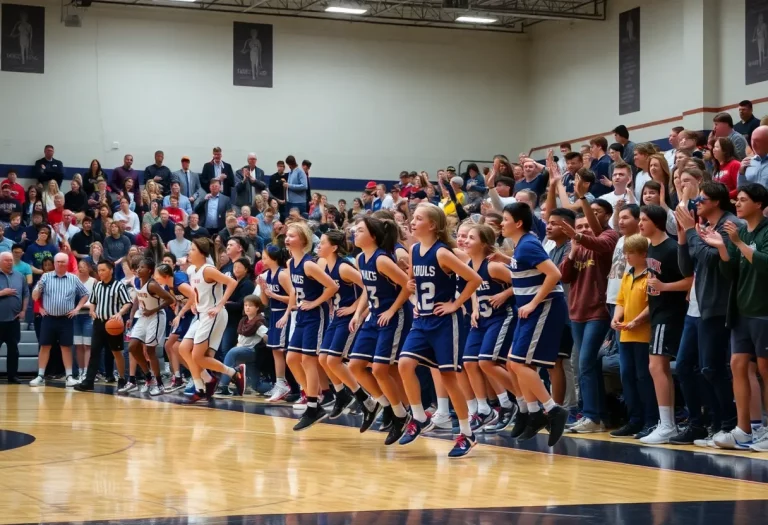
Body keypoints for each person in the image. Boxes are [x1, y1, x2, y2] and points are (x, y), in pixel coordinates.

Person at [394, 204, 481, 457]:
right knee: (404, 364)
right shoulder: (413, 250)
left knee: (448, 378)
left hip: (445, 322)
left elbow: (474, 279)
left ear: (432, 225)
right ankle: (419, 417)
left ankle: (466, 433)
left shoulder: (443, 252)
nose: (412, 221)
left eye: (419, 218)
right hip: (422, 321)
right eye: (413, 217)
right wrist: (411, 284)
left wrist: (456, 302)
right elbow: (413, 281)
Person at [700, 183, 768, 451]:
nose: (737, 204)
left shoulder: (763, 231)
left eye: (743, 200)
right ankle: (744, 429)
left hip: (763, 311)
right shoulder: (739, 232)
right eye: (736, 199)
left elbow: (765, 265)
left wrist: (738, 243)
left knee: (764, 369)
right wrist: (723, 249)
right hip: (741, 311)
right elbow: (732, 275)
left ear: (759, 205)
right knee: (737, 365)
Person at [673, 181, 739, 445]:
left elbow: (713, 260)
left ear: (716, 201)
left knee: (712, 368)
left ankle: (726, 424)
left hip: (716, 306)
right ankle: (699, 424)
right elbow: (685, 268)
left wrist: (690, 231)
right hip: (696, 307)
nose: (697, 203)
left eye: (701, 199)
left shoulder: (730, 225)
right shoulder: (703, 227)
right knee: (685, 367)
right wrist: (683, 236)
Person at [500, 202, 570, 446]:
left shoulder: (529, 243)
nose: (501, 223)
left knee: (519, 364)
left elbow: (554, 274)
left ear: (518, 223)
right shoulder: (522, 245)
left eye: (505, 219)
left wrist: (533, 304)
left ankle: (552, 409)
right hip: (529, 309)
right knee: (512, 363)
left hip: (543, 307)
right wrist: (507, 260)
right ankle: (533, 412)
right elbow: (527, 272)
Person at [347, 215, 413, 439]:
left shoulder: (382, 259)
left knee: (379, 370)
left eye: (360, 230)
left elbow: (408, 286)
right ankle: (386, 406)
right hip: (373, 317)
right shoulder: (360, 259)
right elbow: (367, 288)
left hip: (393, 317)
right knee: (355, 366)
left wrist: (392, 310)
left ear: (373, 236)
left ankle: (400, 415)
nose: (355, 233)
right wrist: (358, 313)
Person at [637, 205, 692, 444]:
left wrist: (664, 287)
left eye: (643, 220)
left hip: (671, 313)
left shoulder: (670, 248)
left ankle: (668, 424)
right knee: (657, 368)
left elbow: (690, 281)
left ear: (657, 222)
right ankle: (666, 422)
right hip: (658, 312)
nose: (640, 224)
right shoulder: (651, 247)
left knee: (657, 367)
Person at [462, 223, 518, 433]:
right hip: (481, 319)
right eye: (465, 237)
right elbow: (475, 290)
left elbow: (522, 282)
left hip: (501, 317)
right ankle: (484, 410)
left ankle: (513, 403)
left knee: (486, 362)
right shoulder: (469, 265)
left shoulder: (493, 266)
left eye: (471, 238)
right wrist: (475, 309)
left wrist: (505, 293)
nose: (466, 241)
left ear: (484, 244)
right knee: (468, 363)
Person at [284, 222, 339, 430]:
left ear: (304, 240)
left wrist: (315, 303)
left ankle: (314, 404)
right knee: (291, 358)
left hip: (316, 315)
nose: (287, 238)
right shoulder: (290, 263)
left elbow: (333, 286)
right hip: (302, 315)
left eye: (292, 235)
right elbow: (295, 290)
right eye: (286, 235)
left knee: (308, 360)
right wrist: (293, 308)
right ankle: (314, 397)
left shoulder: (309, 264)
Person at [179, 238, 244, 402]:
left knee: (198, 356)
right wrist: (194, 303)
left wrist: (220, 304)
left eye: (192, 249)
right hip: (201, 314)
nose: (189, 252)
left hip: (213, 314)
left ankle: (233, 373)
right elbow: (196, 291)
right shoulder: (192, 270)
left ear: (202, 253)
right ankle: (202, 385)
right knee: (183, 349)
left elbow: (231, 282)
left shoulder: (208, 270)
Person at [315, 230, 368, 419]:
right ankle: (341, 393)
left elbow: (369, 287)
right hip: (336, 317)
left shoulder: (344, 267)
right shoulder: (326, 267)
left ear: (334, 247)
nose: (319, 246)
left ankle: (360, 394)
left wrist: (354, 307)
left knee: (333, 360)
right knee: (322, 358)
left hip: (349, 318)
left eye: (322, 243)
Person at [610, 234, 657, 437]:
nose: (627, 256)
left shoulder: (651, 275)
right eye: (626, 252)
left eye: (631, 253)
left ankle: (651, 421)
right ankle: (634, 419)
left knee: (643, 377)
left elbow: (652, 305)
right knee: (626, 376)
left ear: (643, 254)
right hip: (626, 334)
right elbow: (620, 300)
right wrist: (616, 318)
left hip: (643, 334)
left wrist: (636, 321)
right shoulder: (628, 274)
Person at [29, 253, 90, 387]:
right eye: (58, 262)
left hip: (66, 319)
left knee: (66, 347)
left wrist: (77, 308)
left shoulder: (73, 278)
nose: (60, 264)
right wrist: (39, 294)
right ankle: (40, 375)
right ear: (54, 263)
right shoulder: (46, 277)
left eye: (63, 262)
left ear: (67, 263)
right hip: (49, 318)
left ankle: (69, 376)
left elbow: (85, 294)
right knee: (45, 346)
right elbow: (34, 296)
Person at [74, 260, 133, 392]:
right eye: (99, 270)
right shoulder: (97, 285)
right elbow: (93, 301)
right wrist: (92, 310)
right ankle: (89, 381)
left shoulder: (119, 286)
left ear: (111, 270)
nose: (100, 273)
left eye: (103, 270)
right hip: (99, 323)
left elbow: (127, 303)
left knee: (116, 352)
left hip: (113, 323)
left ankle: (122, 378)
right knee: (94, 352)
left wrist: (120, 313)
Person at [122, 258, 176, 396]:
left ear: (150, 270)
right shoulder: (137, 281)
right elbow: (137, 299)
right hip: (143, 316)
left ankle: (160, 384)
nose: (139, 269)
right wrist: (131, 316)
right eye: (138, 267)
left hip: (156, 316)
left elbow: (171, 299)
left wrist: (153, 310)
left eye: (142, 267)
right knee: (132, 346)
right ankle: (148, 378)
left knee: (150, 351)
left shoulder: (153, 285)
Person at [257, 244, 294, 403]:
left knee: (283, 351)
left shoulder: (283, 275)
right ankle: (280, 383)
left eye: (265, 257)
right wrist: (262, 288)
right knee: (275, 351)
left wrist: (274, 295)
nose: (262, 260)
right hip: (274, 314)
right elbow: (265, 302)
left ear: (273, 258)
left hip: (286, 315)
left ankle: (293, 385)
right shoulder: (267, 275)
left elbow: (294, 297)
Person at [153, 262, 195, 393]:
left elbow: (194, 296)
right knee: (168, 345)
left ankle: (196, 375)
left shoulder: (180, 284)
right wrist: (177, 311)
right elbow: (178, 300)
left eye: (157, 275)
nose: (155, 278)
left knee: (178, 347)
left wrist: (180, 313)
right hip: (184, 314)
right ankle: (177, 378)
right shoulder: (168, 286)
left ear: (165, 275)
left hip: (193, 314)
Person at [218, 295, 268, 395]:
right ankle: (273, 387)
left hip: (252, 351)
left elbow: (266, 337)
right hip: (243, 351)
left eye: (250, 306)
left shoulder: (258, 322)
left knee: (232, 352)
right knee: (256, 386)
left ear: (257, 307)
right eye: (245, 305)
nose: (247, 308)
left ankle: (223, 385)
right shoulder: (243, 320)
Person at [0, 251, 29, 384]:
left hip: (13, 320)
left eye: (11, 260)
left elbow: (26, 294)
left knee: (13, 349)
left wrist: (23, 310)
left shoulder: (20, 276)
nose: (9, 262)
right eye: (6, 260)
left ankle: (13, 376)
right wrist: (2, 293)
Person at [72, 259, 96, 383]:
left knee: (88, 345)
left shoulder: (94, 281)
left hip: (88, 315)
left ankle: (87, 371)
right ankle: (80, 370)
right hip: (76, 316)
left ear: (89, 268)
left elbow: (96, 299)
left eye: (84, 266)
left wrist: (87, 306)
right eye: (79, 266)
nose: (81, 268)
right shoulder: (73, 280)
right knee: (78, 345)